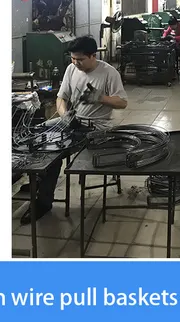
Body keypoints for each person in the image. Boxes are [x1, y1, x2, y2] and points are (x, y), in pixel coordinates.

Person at [18, 36, 128, 225]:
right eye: (73, 58)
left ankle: (43, 202)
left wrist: (100, 98)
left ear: (93, 56)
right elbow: (61, 97)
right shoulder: (71, 69)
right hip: (72, 121)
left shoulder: (109, 73)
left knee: (52, 153)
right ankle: (38, 179)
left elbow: (122, 102)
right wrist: (64, 115)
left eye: (80, 59)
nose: (76, 63)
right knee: (33, 134)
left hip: (94, 128)